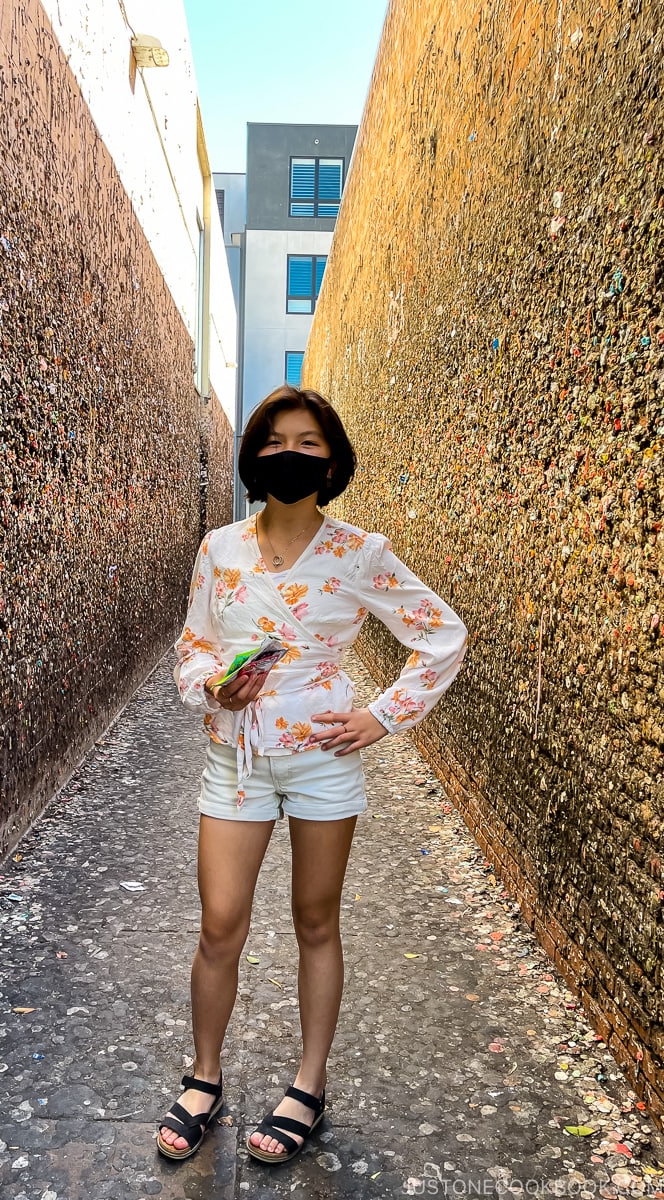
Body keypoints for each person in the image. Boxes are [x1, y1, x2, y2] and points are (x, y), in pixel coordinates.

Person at [157, 385, 468, 1164]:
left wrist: (382, 717)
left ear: (332, 463)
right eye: (275, 441)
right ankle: (204, 1075)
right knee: (219, 924)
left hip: (325, 762)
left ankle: (309, 1083)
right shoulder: (218, 549)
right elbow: (192, 645)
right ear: (253, 455)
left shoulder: (361, 552)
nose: (289, 455)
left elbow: (441, 635)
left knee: (315, 921)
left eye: (308, 444)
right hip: (236, 759)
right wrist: (214, 686)